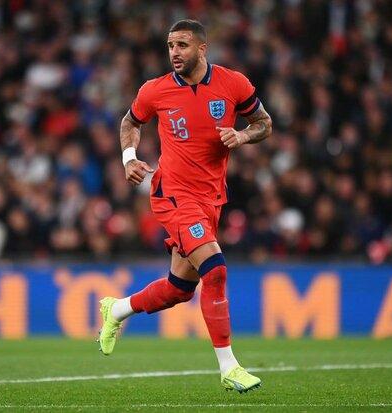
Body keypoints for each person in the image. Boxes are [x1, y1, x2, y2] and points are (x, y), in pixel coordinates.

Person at [98, 19, 272, 393]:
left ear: (202, 48)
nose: (174, 52)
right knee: (216, 269)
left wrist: (242, 135)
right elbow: (130, 121)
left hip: (212, 198)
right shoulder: (155, 90)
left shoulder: (233, 84)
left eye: (182, 45)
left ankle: (117, 308)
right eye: (170, 46)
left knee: (180, 289)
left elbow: (264, 123)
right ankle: (229, 367)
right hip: (173, 195)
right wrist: (129, 157)